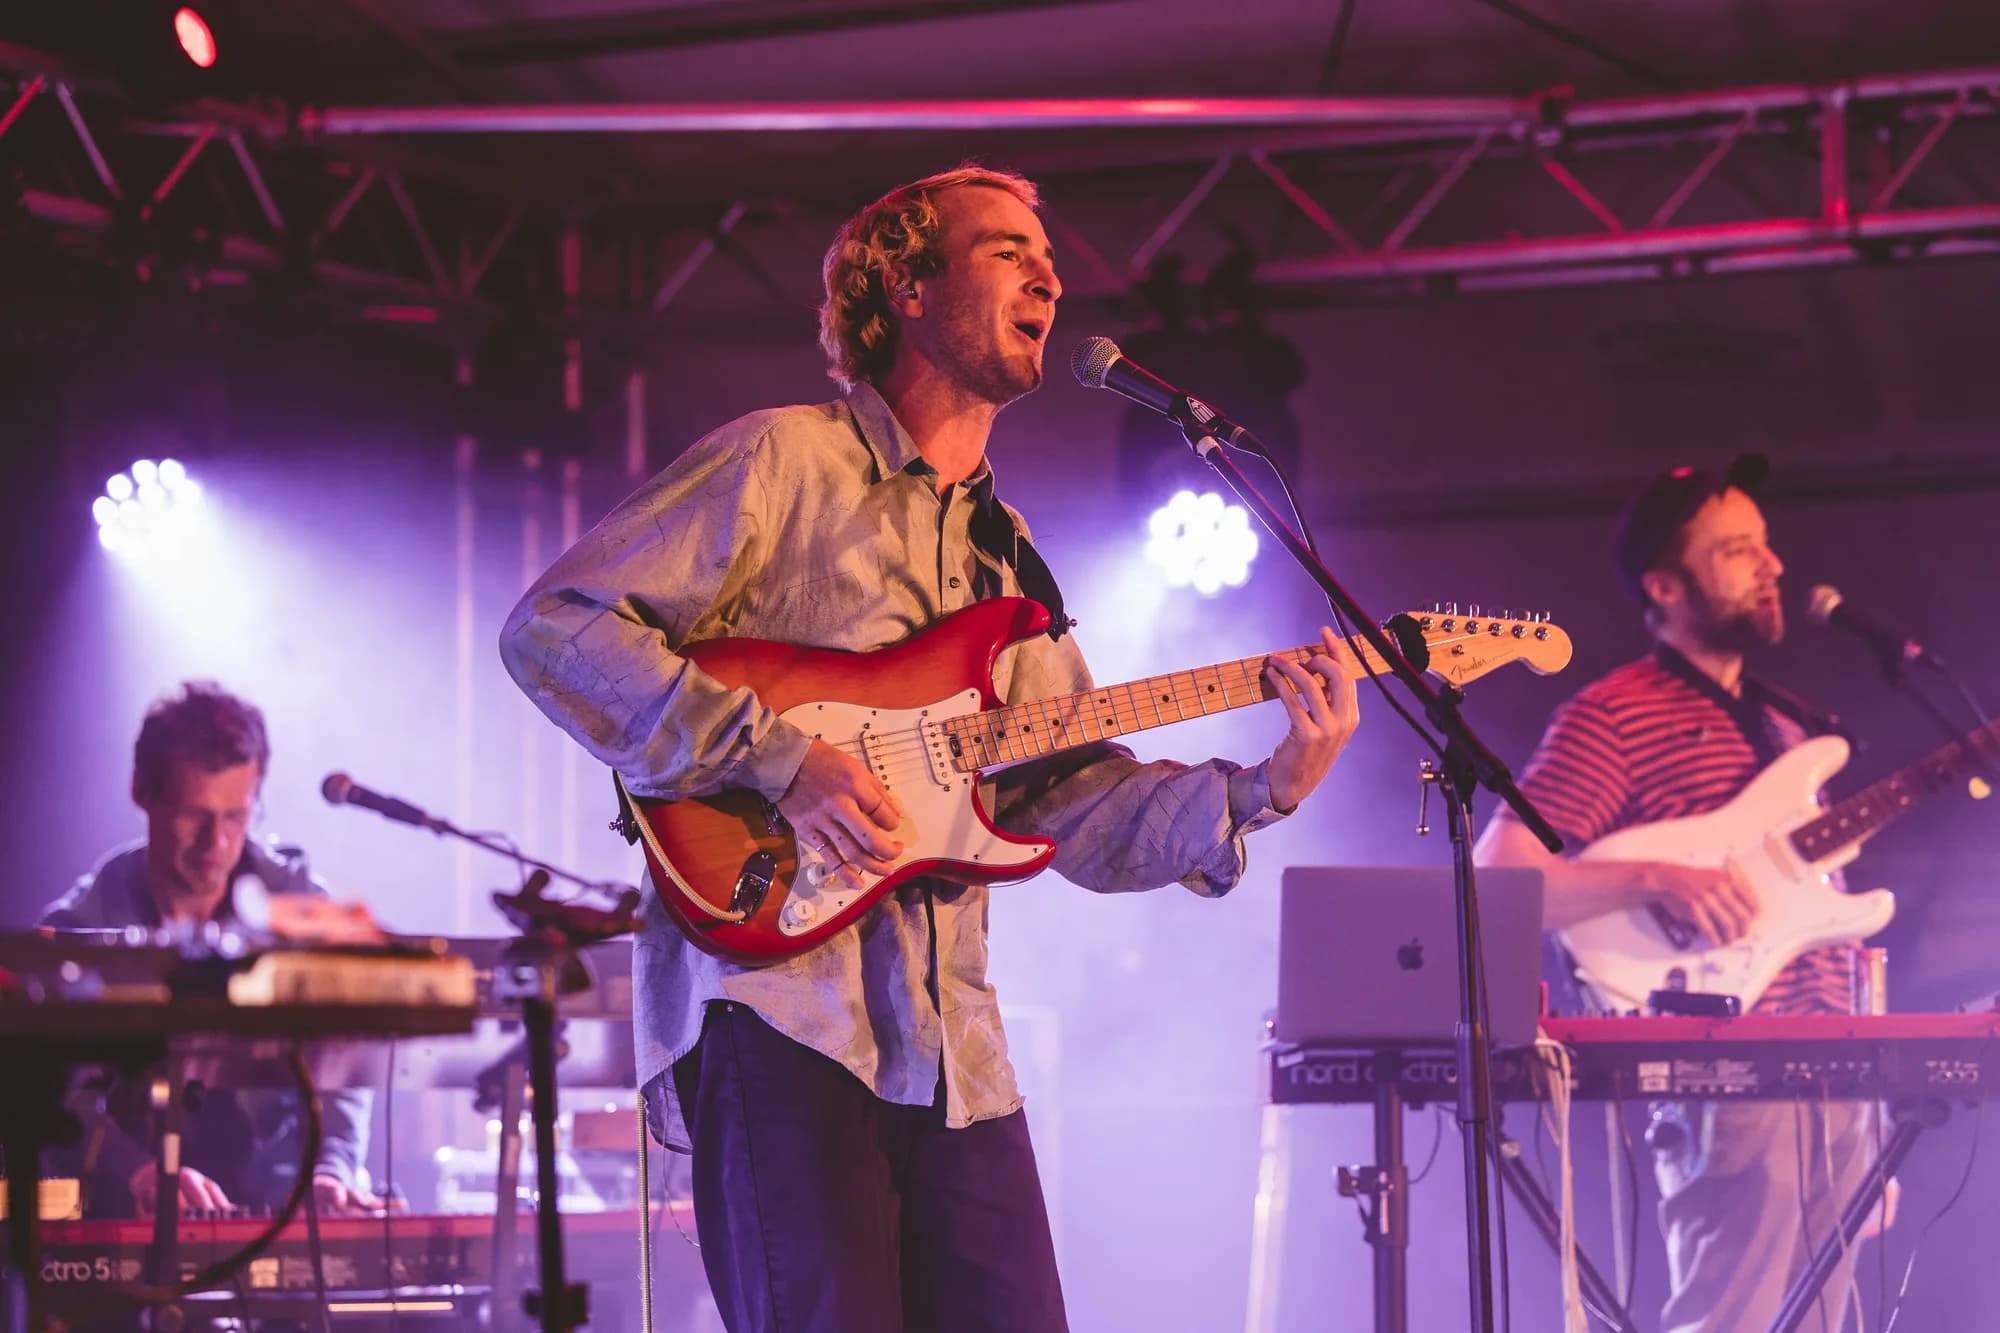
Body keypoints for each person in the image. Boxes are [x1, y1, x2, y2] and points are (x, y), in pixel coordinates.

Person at [500, 164, 1361, 1331]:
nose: (1047, 273)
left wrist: (1263, 785)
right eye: (1005, 249)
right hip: (778, 1005)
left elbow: (1072, 805)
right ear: (905, 287)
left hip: (953, 1046)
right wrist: (778, 760)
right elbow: (554, 628)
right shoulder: (782, 461)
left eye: (1045, 257)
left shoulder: (1016, 566)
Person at [1474, 457, 1877, 1332]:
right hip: (1727, 1077)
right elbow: (1499, 879)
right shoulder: (1613, 714)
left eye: (1765, 547)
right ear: (1665, 584)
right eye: (1737, 550)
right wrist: (1660, 878)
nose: (1771, 566)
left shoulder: (1791, 723)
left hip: (1837, 1067)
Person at [42, 681, 382, 1220]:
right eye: (194, 816)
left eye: (236, 817)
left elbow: (342, 1060)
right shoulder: (78, 930)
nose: (216, 843)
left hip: (281, 1211)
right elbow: (59, 1094)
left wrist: (331, 1170)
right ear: (142, 792)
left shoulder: (298, 908)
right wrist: (137, 1169)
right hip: (125, 1220)